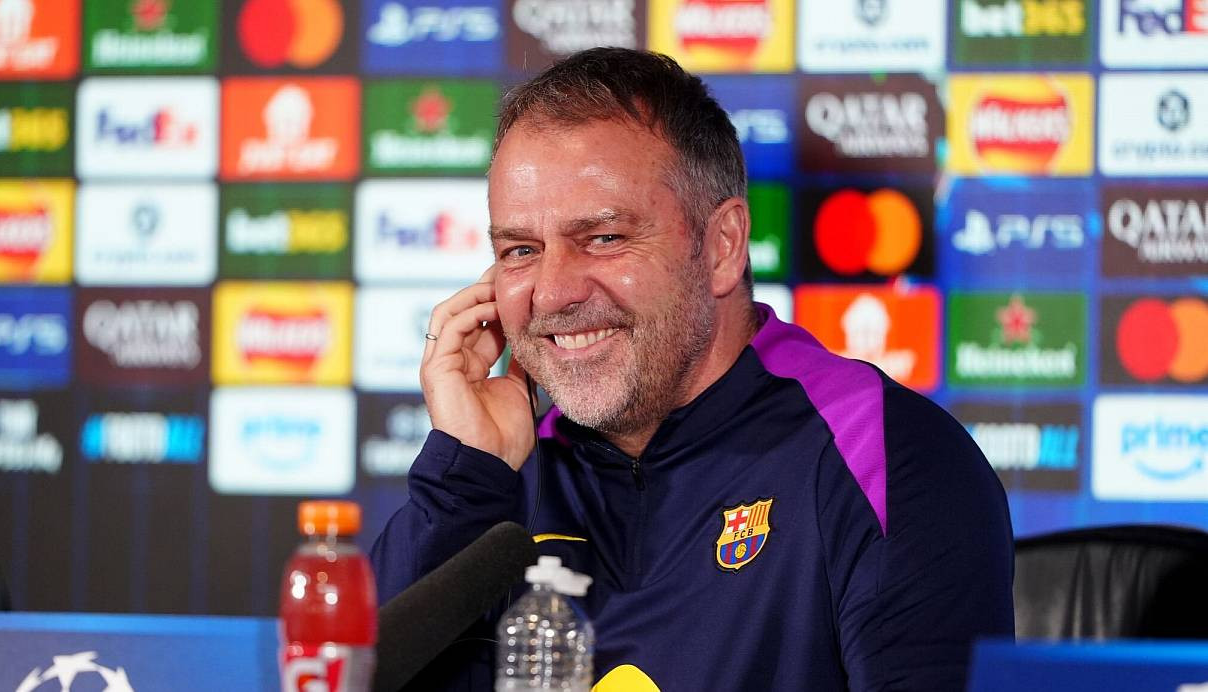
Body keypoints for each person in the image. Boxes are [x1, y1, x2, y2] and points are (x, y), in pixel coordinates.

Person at [370, 47, 1014, 691]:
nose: (553, 291)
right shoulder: (501, 474)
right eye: (520, 250)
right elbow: (361, 672)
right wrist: (466, 478)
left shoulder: (881, 454)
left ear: (722, 246)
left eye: (604, 238)